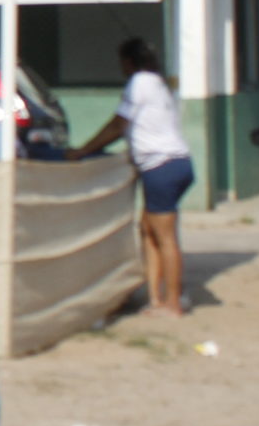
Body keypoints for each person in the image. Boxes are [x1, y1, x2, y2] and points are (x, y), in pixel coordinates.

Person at [67, 37, 196, 316]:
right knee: (148, 229)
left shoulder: (139, 83)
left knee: (165, 236)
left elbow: (118, 124)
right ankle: (155, 297)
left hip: (161, 166)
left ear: (129, 62)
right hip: (176, 164)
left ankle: (173, 302)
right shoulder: (159, 84)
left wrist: (84, 150)